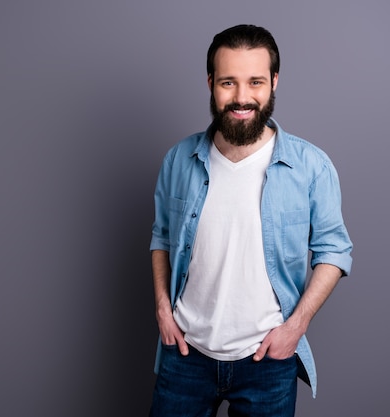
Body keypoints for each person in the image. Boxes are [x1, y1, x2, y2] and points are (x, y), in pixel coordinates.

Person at [148, 24, 353, 417]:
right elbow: (162, 236)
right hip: (185, 355)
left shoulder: (311, 167)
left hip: (267, 363)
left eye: (255, 81)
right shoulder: (178, 160)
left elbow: (336, 251)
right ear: (210, 82)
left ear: (274, 82)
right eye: (228, 82)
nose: (242, 98)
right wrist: (161, 307)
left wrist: (296, 326)